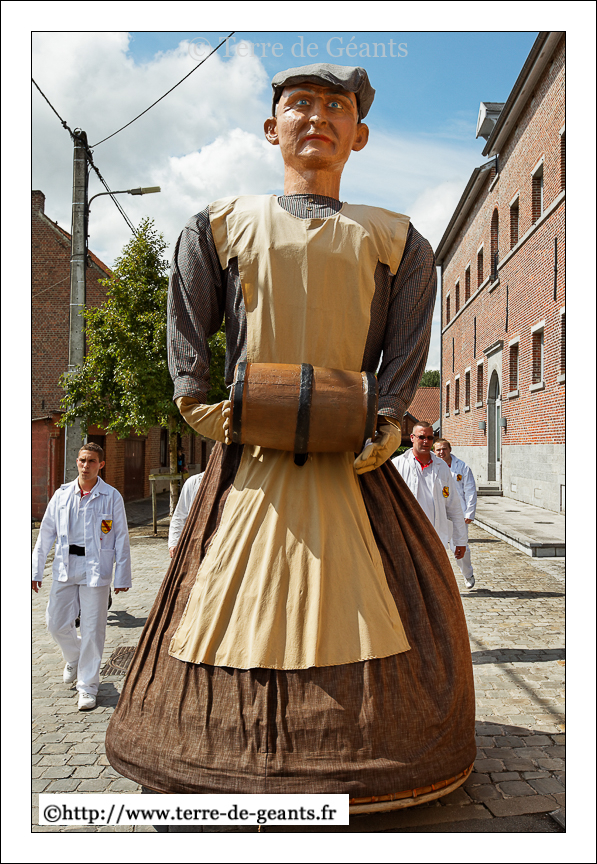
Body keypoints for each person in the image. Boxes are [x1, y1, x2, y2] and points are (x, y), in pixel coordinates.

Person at [107, 63, 476, 805]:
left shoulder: (397, 240)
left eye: (336, 107)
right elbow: (187, 321)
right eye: (299, 104)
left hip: (354, 464)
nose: (317, 118)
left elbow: (405, 350)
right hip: (249, 458)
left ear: (359, 135)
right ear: (271, 127)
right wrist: (195, 400)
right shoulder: (220, 225)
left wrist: (388, 419)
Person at [32, 443, 131, 710]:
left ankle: (87, 687)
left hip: (96, 569)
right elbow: (46, 533)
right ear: (77, 462)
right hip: (66, 566)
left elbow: (121, 537)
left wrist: (122, 576)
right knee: (55, 623)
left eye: (91, 461)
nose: (85, 465)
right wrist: (35, 569)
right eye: (82, 460)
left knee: (92, 629)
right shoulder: (62, 495)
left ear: (101, 465)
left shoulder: (111, 496)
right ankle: (74, 656)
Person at [392, 422, 472, 587]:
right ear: (412, 438)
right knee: (410, 580)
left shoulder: (442, 467)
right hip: (408, 533)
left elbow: (453, 506)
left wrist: (460, 540)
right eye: (421, 437)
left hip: (435, 533)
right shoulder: (398, 465)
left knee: (434, 581)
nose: (426, 441)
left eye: (429, 438)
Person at [433, 438, 477, 589]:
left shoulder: (462, 467)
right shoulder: (432, 467)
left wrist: (469, 512)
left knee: (459, 546)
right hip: (438, 512)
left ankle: (467, 574)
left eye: (444, 449)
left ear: (450, 449)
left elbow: (470, 490)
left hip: (458, 513)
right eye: (438, 450)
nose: (441, 452)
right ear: (434, 451)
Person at [168, 471, 204, 558]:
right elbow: (180, 515)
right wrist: (174, 542)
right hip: (195, 545)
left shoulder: (234, 486)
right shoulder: (194, 482)